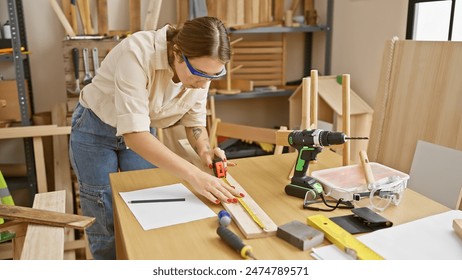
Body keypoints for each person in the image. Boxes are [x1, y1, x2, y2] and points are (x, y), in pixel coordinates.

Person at [69, 16, 243, 260]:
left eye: (213, 76)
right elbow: (135, 136)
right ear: (177, 52)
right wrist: (195, 176)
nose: (204, 83)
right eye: (199, 74)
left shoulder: (202, 71)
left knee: (149, 200)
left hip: (140, 129)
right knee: (103, 210)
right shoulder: (137, 52)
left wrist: (204, 150)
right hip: (95, 128)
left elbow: (195, 122)